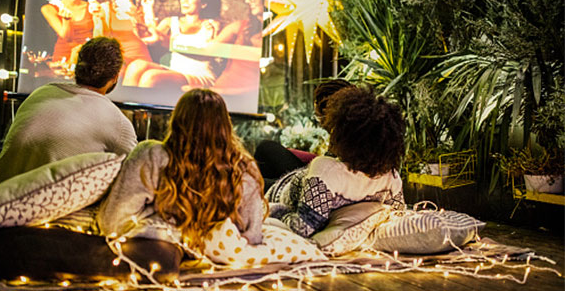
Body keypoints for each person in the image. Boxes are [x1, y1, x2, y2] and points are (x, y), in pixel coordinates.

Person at [97, 89, 265, 252]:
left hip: (158, 254)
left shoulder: (152, 155)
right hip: (220, 260)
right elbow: (253, 237)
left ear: (176, 121)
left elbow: (112, 222)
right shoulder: (244, 168)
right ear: (226, 126)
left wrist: (161, 223)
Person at [0, 37, 137, 189]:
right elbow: (136, 176)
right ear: (115, 77)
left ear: (77, 67)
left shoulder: (41, 92)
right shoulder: (118, 123)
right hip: (37, 204)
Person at [266, 85, 406, 238]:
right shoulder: (391, 178)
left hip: (277, 191)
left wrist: (273, 210)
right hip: (294, 178)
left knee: (261, 155)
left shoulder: (327, 170)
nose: (331, 137)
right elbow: (398, 217)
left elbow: (302, 228)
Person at [123, 0, 222, 88]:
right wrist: (146, 15)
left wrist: (214, 37)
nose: (185, 1)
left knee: (151, 77)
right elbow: (154, 35)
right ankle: (126, 104)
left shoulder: (212, 25)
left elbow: (217, 55)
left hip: (200, 75)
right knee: (136, 66)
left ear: (203, 4)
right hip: (174, 71)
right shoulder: (170, 22)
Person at [254, 79, 354, 180]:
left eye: (318, 116)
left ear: (326, 113)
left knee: (266, 149)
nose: (320, 123)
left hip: (318, 182)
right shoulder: (353, 127)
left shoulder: (343, 133)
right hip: (319, 175)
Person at [209, 0, 265, 95]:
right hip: (218, 92)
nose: (249, 1)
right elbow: (208, 51)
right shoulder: (240, 26)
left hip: (243, 99)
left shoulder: (279, 38)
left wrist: (227, 92)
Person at [41, 0, 104, 67]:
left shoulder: (91, 7)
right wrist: (66, 20)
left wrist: (99, 17)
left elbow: (100, 36)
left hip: (87, 56)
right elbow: (66, 37)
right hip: (63, 58)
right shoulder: (49, 9)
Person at [101, 0, 156, 74]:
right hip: (117, 56)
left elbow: (153, 37)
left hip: (140, 56)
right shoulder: (106, 8)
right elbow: (101, 36)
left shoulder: (142, 8)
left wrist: (148, 10)